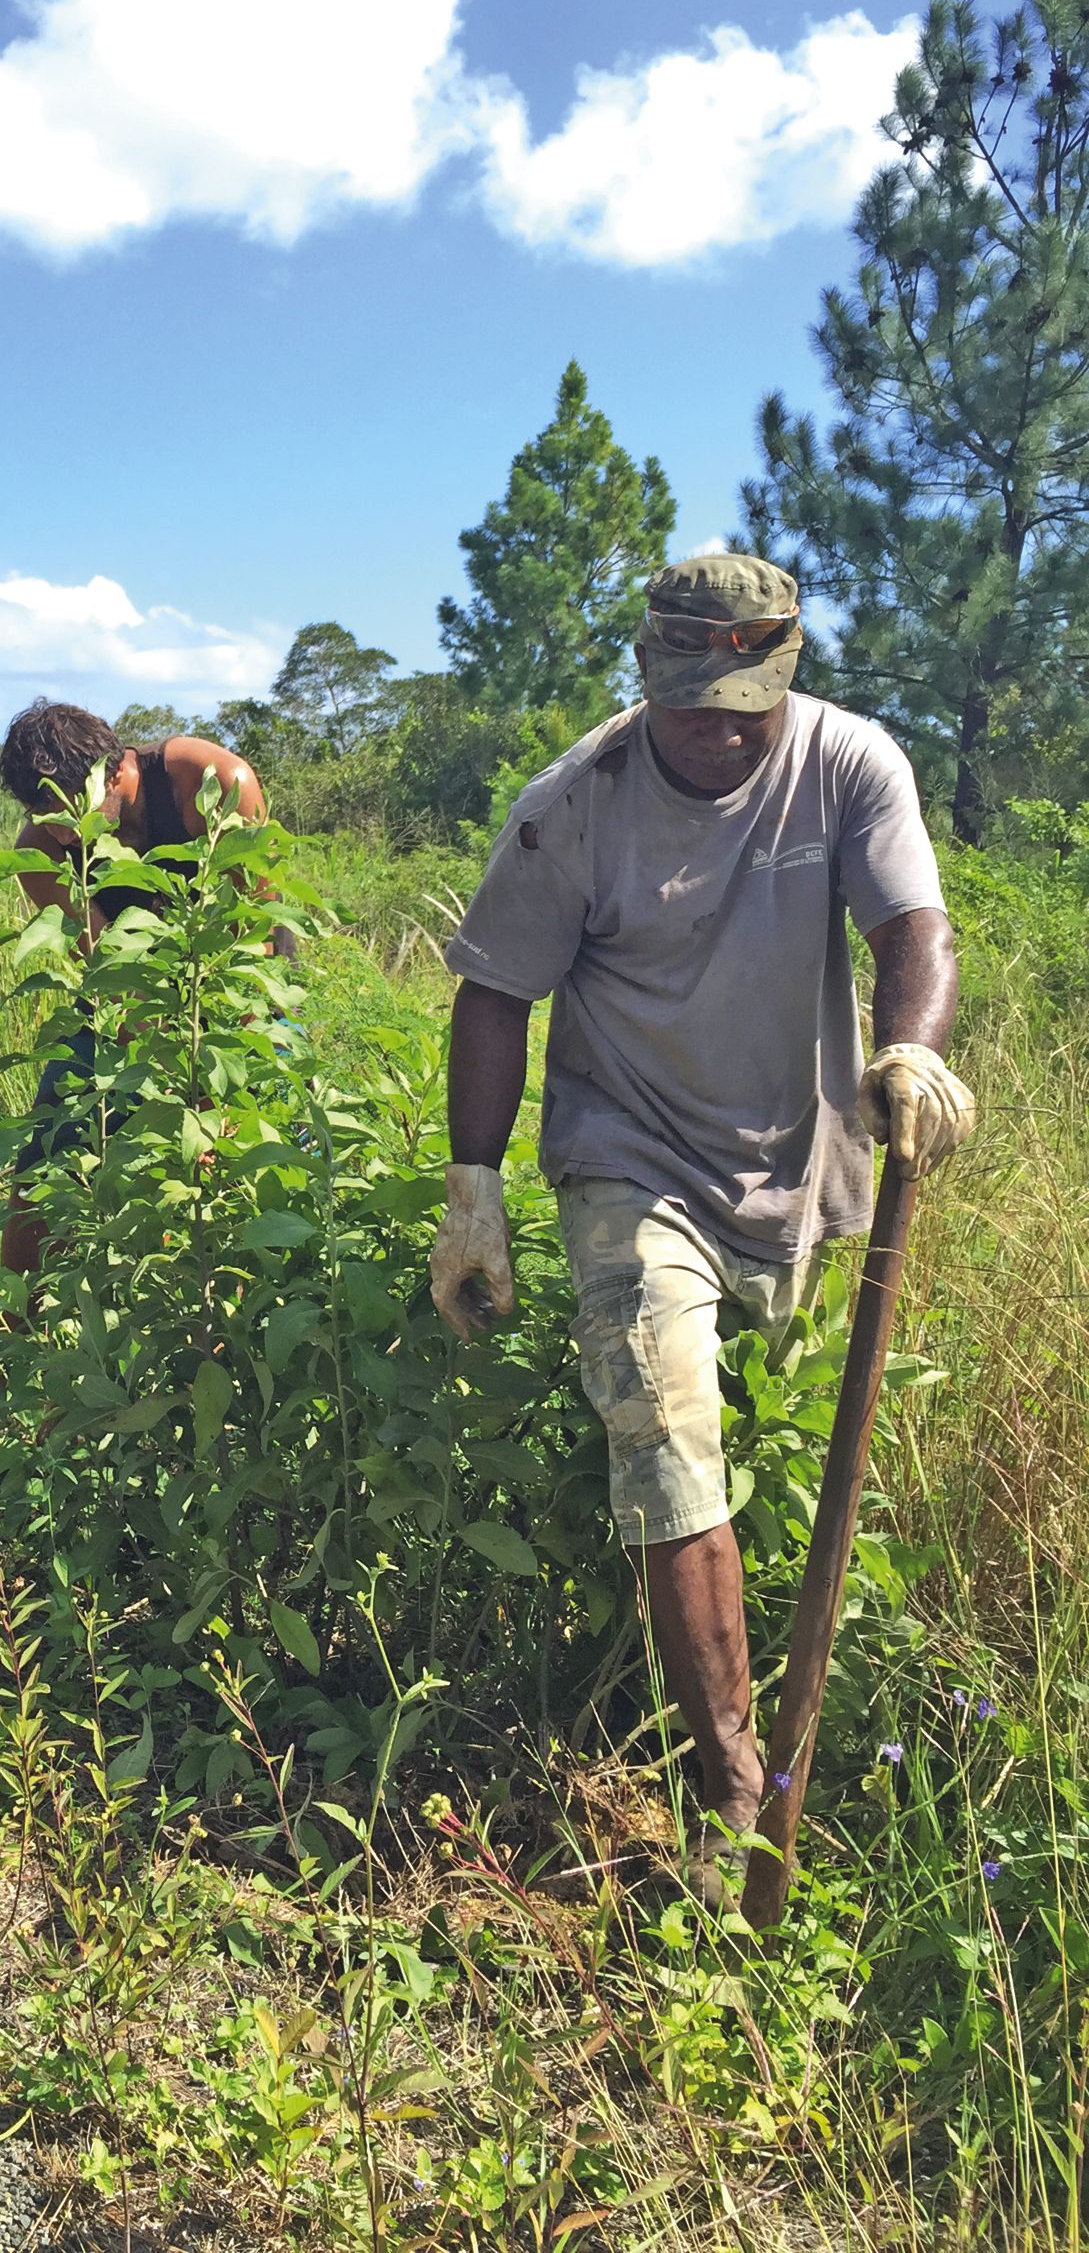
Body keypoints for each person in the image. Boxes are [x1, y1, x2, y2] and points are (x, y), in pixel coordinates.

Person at [427, 552, 977, 1902]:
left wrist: (908, 1055)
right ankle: (734, 1791)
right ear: (649, 678)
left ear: (782, 678)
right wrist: (474, 1189)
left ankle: (729, 1700)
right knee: (669, 1437)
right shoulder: (579, 802)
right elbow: (494, 992)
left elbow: (916, 924)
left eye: (746, 706)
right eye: (694, 707)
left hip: (794, 1163)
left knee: (762, 1446)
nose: (720, 733)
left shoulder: (851, 765)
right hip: (627, 1157)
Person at [0, 699, 288, 1278]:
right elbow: (109, 970)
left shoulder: (209, 782)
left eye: (66, 806)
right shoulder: (42, 851)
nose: (56, 826)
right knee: (43, 1159)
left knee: (269, 1156)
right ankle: (11, 1341)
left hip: (238, 990)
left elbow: (258, 939)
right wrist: (169, 1083)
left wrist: (213, 1093)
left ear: (113, 771)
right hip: (124, 997)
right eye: (39, 810)